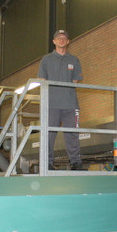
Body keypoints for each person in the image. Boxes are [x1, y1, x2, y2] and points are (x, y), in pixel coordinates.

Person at [37, 30, 84, 170]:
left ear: (68, 41)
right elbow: (42, 80)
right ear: (54, 41)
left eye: (64, 38)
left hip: (70, 104)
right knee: (49, 134)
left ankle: (75, 162)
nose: (61, 40)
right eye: (58, 38)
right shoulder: (46, 59)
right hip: (52, 104)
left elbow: (75, 80)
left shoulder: (74, 60)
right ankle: (47, 163)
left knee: (72, 134)